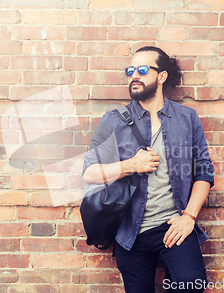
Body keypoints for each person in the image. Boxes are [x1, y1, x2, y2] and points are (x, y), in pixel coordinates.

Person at [82, 46, 214, 293]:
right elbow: (89, 172)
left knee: (192, 286)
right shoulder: (113, 119)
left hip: (174, 226)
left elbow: (204, 172)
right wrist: (131, 165)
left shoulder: (187, 118)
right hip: (131, 232)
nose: (134, 76)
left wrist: (189, 217)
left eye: (142, 70)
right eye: (130, 70)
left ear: (161, 76)